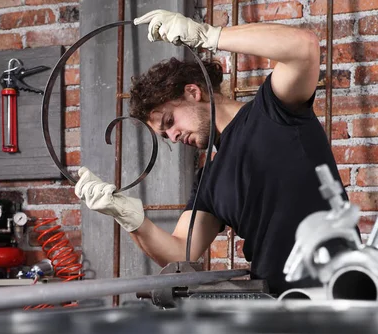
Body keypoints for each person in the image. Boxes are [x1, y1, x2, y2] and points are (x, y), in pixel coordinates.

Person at [75, 9, 348, 295]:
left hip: (340, 290)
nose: (173, 136)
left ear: (193, 92)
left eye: (170, 121)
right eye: (164, 135)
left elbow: (303, 48)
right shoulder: (209, 179)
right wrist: (131, 220)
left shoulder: (273, 110)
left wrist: (209, 36)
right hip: (277, 304)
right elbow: (180, 253)